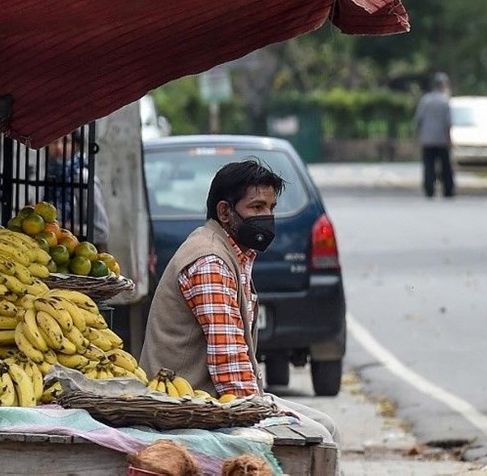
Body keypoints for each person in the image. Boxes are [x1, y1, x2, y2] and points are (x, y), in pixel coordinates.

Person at [139, 160, 339, 448]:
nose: (266, 216)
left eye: (271, 208)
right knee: (320, 438)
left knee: (326, 426)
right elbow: (228, 363)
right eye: (256, 208)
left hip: (218, 399)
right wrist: (262, 416)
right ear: (225, 212)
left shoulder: (232, 252)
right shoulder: (210, 261)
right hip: (192, 404)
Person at [45, 132, 109, 250]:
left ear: (76, 145)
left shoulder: (83, 179)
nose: (59, 147)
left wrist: (61, 226)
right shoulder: (48, 177)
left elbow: (101, 232)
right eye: (54, 142)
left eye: (66, 141)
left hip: (80, 254)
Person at [412, 72, 455, 198]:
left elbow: (418, 120)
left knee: (429, 165)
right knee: (445, 166)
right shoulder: (445, 101)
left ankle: (429, 189)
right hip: (441, 139)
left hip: (428, 139)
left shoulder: (425, 100)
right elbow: (448, 123)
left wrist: (419, 136)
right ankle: (448, 189)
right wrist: (449, 139)